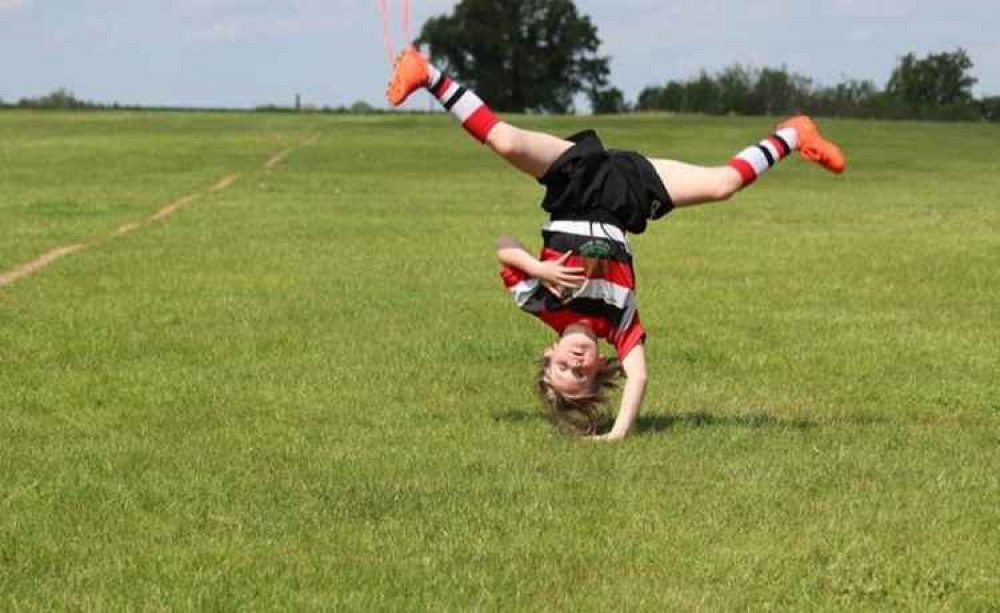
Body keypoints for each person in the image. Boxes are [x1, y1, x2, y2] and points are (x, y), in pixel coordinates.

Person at [386, 48, 846, 441]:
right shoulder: (617, 323)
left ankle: (425, 73)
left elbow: (504, 245)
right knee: (724, 184)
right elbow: (640, 374)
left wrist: (540, 269)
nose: (576, 365)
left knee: (504, 140)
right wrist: (618, 432)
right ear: (598, 365)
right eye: (583, 375)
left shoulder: (540, 302)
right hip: (627, 193)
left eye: (564, 370)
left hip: (575, 182)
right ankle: (794, 134)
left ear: (549, 357)